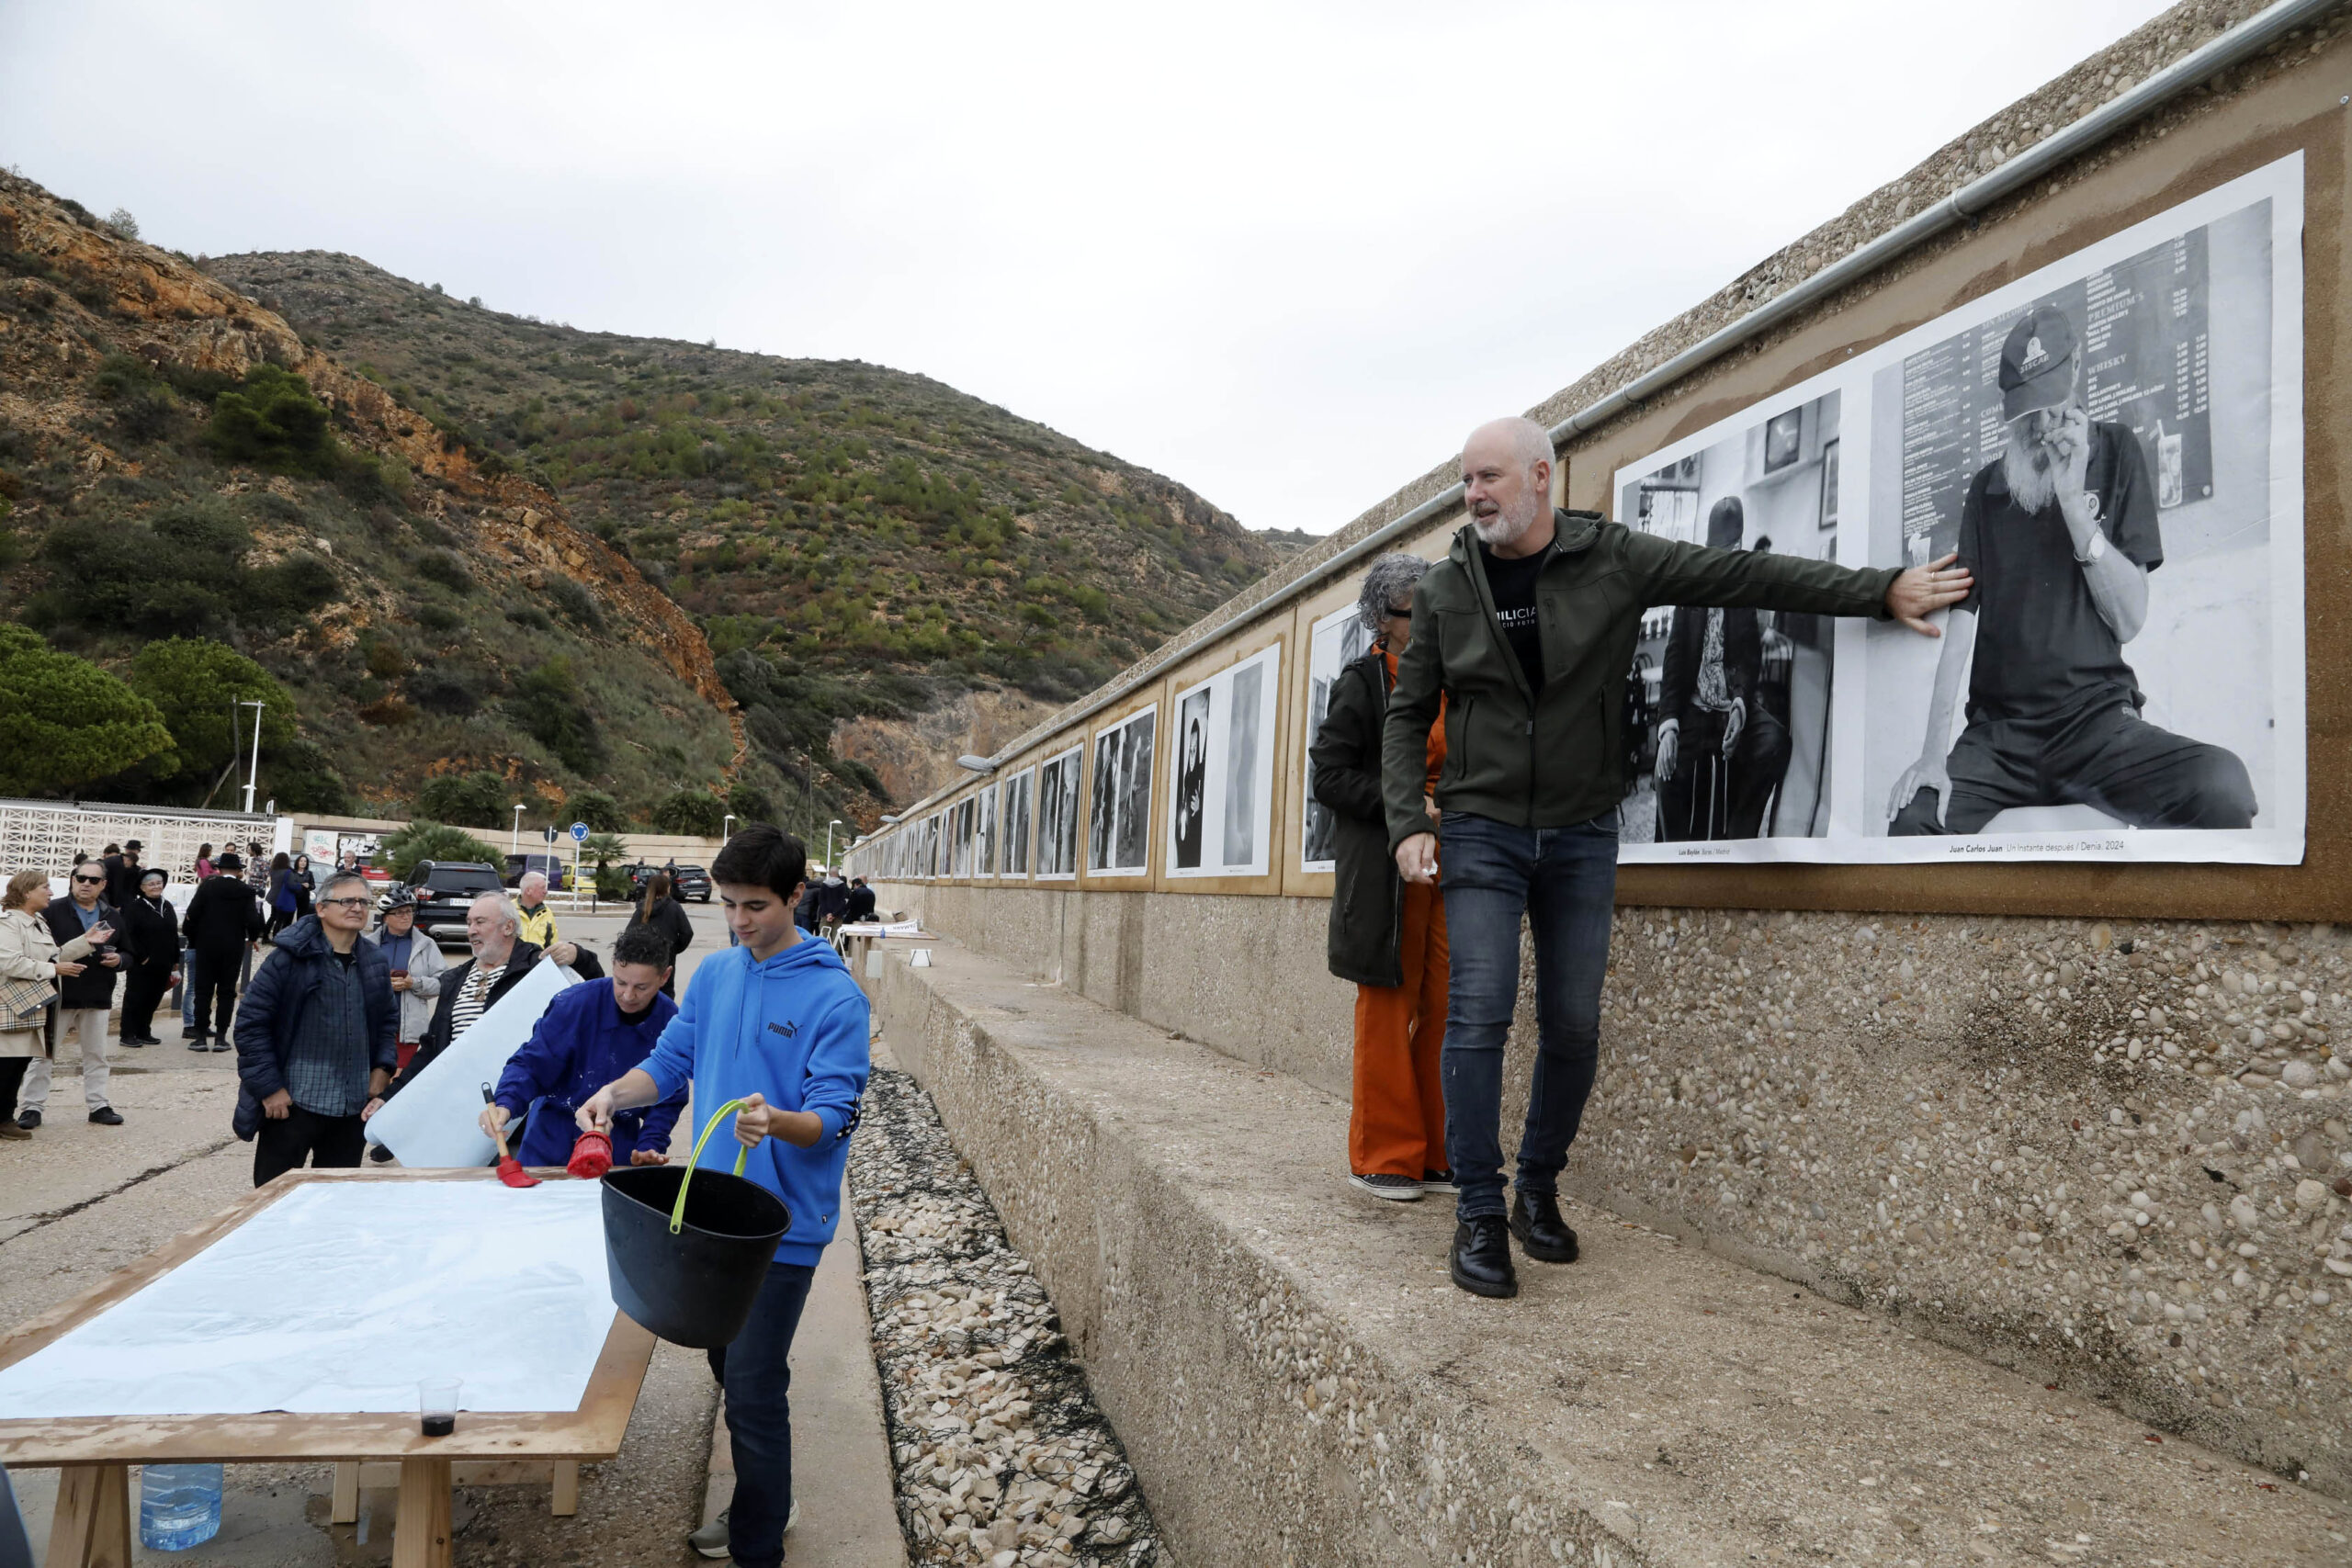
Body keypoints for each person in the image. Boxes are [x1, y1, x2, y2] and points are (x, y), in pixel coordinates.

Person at [1383, 416, 1967, 1298]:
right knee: (1480, 1012)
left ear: (1541, 476)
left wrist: (1879, 589)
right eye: (1467, 480)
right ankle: (1476, 1211)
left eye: (1491, 477)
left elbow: (1743, 575)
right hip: (1483, 827)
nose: (1475, 495)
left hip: (1582, 830)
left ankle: (1536, 1190)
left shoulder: (1611, 557)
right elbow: (1405, 710)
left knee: (1574, 1024)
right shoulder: (1445, 589)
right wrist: (1407, 821)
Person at [575, 826, 869, 1568]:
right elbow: (669, 1062)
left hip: (782, 1228)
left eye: (757, 905)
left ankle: (756, 1544)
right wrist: (613, 1092)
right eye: (731, 904)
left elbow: (834, 1116)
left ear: (797, 895)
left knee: (753, 1384)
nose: (740, 920)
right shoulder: (714, 972)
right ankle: (764, 1498)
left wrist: (779, 1120)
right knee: (725, 1364)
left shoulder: (836, 996)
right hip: (710, 1210)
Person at [1888, 304, 2256, 835]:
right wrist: (1930, 757)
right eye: (2026, 412)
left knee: (2222, 787)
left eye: (2051, 404)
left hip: (2095, 725)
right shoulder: (1987, 487)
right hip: (2000, 739)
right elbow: (1959, 633)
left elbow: (2129, 620)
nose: (2041, 426)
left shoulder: (2119, 451)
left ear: (2077, 368)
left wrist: (2071, 500)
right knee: (1912, 822)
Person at [1314, 554, 1451, 1201]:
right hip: (1386, 868)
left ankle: (1437, 1153)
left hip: (1453, 859)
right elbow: (1329, 776)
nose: (1425, 621)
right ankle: (1385, 1155)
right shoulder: (1360, 681)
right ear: (1381, 620)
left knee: (1450, 1002)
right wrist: (1403, 805)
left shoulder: (1451, 675)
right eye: (1412, 612)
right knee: (1388, 1006)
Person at [233, 871, 397, 1187]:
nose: (357, 908)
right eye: (346, 901)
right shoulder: (288, 958)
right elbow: (251, 1025)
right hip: (292, 1103)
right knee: (273, 1198)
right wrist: (269, 1089)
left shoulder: (374, 961)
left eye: (364, 901)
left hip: (352, 1107)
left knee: (335, 1202)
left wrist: (382, 1067)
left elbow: (388, 1020)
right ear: (321, 908)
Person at [481, 925, 684, 1168]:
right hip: (549, 1141)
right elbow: (532, 1064)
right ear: (613, 965)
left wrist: (649, 1146)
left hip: (617, 1150)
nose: (628, 995)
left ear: (664, 976)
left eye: (641, 987)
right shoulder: (574, 1005)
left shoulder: (672, 1023)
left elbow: (670, 1097)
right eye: (621, 982)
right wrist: (505, 1103)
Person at [1653, 496, 1794, 841]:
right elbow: (1674, 659)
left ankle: (1738, 835)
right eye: (1714, 551)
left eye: (1727, 551)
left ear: (1739, 547)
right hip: (1695, 708)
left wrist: (1741, 706)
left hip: (1731, 708)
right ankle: (1671, 854)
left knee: (1776, 741)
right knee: (1666, 771)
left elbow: (1749, 660)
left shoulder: (1746, 591)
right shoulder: (1688, 590)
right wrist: (1668, 725)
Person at [370, 892, 577, 1119]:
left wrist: (578, 954)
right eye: (469, 923)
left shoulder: (536, 967)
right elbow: (431, 1051)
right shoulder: (455, 979)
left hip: (520, 1110)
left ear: (508, 927)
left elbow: (594, 989)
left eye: (480, 922)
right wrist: (389, 1096)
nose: (471, 930)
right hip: (460, 1107)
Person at [19, 861, 127, 1128]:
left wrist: (120, 960)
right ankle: (31, 1108)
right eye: (81, 878)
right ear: (72, 880)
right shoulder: (51, 911)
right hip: (57, 994)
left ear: (103, 884)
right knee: (43, 1054)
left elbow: (130, 951)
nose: (86, 884)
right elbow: (39, 952)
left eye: (93, 880)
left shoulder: (112, 915)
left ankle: (99, 1105)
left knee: (96, 1054)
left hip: (98, 994)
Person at [0, 870, 103, 1140]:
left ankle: (4, 1118)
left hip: (31, 1007)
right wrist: (53, 970)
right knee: (6, 1066)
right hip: (11, 1005)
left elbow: (53, 954)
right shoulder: (8, 923)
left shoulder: (38, 922)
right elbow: (9, 963)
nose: (50, 892)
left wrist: (85, 942)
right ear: (26, 892)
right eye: (44, 887)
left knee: (17, 1064)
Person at [181, 852, 263, 1050]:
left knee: (203, 990)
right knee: (227, 992)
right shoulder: (246, 891)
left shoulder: (208, 887)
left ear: (219, 869)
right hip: (233, 945)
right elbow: (253, 920)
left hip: (206, 944)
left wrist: (193, 936)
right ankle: (220, 1037)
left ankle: (200, 1036)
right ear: (238, 871)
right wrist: (252, 937)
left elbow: (192, 914)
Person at [370, 888, 447, 1075]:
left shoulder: (427, 945)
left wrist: (413, 983)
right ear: (386, 917)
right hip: (374, 1029)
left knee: (400, 1082)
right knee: (372, 1084)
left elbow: (442, 984)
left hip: (408, 1033)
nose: (406, 916)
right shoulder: (368, 944)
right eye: (399, 912)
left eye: (409, 911)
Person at [118, 868, 182, 1048]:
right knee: (135, 997)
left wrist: (176, 958)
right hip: (142, 963)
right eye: (151, 884)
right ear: (142, 888)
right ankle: (128, 1033)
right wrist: (142, 956)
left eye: (159, 883)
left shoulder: (167, 905)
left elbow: (173, 934)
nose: (156, 886)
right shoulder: (134, 908)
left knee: (154, 997)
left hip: (164, 961)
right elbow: (129, 935)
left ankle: (144, 1031)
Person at [624, 874, 695, 998]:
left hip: (643, 960)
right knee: (665, 995)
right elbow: (687, 932)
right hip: (666, 959)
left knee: (644, 993)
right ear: (667, 888)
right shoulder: (674, 907)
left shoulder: (643, 908)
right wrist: (673, 949)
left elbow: (629, 934)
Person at [514, 870, 561, 952]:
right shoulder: (508, 910)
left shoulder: (547, 912)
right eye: (542, 888)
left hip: (538, 962)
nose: (545, 891)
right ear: (528, 891)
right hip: (513, 962)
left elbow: (553, 944)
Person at [266, 852, 304, 939]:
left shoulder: (273, 870)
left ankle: (265, 935)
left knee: (273, 917)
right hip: (282, 898)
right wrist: (299, 886)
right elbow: (291, 885)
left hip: (273, 896)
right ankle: (276, 937)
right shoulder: (287, 872)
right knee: (280, 920)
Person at [102, 840, 143, 910]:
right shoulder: (118, 864)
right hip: (112, 902)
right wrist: (116, 905)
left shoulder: (116, 860)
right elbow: (117, 885)